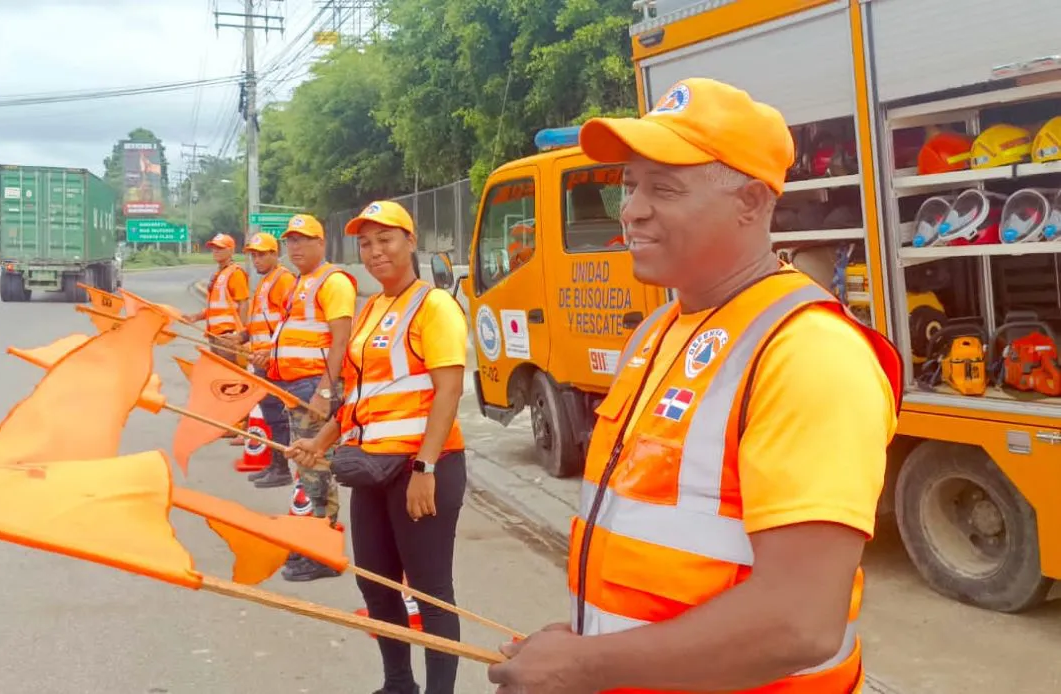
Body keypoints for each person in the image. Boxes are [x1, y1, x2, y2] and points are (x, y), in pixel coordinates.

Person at [487, 77, 904, 693]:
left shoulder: (809, 353)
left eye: (665, 188)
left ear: (752, 203)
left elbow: (800, 623)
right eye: (629, 185)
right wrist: (588, 640)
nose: (631, 209)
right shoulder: (660, 330)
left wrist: (585, 665)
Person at [287, 200, 468, 694]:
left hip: (421, 468)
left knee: (431, 595)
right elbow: (360, 397)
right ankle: (397, 684)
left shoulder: (435, 306)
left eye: (385, 239)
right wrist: (319, 442)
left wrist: (425, 467)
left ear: (410, 241)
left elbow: (449, 391)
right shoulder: (371, 308)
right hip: (370, 468)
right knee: (377, 584)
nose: (374, 252)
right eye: (365, 243)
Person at [270, 214, 357, 581]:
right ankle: (310, 539)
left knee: (316, 469)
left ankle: (322, 553)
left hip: (313, 390)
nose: (296, 247)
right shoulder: (302, 282)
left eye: (304, 240)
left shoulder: (332, 281)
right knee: (303, 470)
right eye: (291, 241)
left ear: (322, 243)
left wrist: (324, 390)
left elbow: (340, 341)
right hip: (296, 389)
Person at [225, 231, 297, 467]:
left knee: (277, 414)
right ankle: (275, 465)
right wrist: (242, 336)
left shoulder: (282, 280)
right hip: (261, 358)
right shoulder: (266, 281)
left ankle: (279, 467)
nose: (256, 260)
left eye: (261, 255)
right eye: (253, 256)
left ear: (275, 254)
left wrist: (271, 352)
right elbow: (260, 321)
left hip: (272, 360)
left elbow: (288, 321)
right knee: (270, 412)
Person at [184, 232, 250, 364]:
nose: (215, 251)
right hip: (215, 335)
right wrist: (196, 317)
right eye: (214, 248)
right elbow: (215, 306)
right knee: (221, 374)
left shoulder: (235, 273)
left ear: (231, 251)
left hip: (228, 335)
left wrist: (240, 334)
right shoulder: (219, 274)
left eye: (220, 248)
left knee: (231, 376)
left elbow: (243, 303)